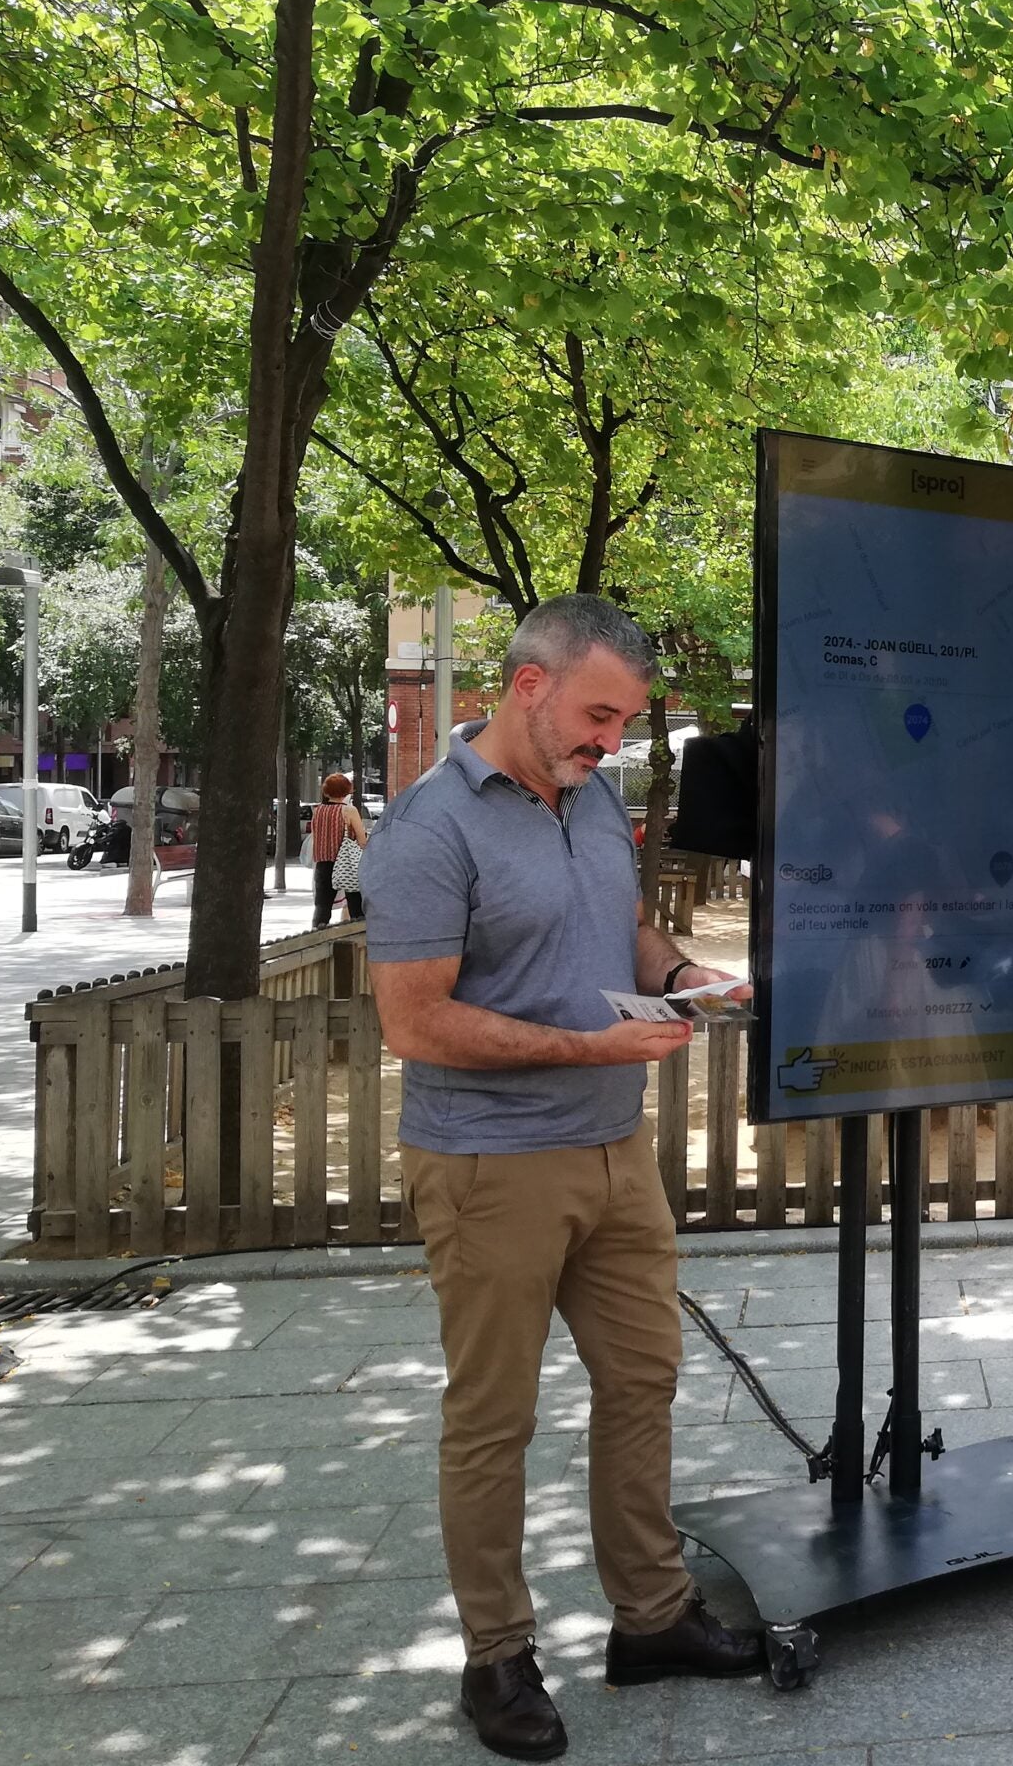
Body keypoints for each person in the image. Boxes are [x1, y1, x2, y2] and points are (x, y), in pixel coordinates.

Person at [361, 594, 761, 1761]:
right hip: (488, 1163)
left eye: (627, 723)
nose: (611, 743)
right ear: (525, 686)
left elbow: (619, 932)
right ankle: (497, 1658)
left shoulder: (591, 803)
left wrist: (684, 969)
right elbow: (416, 1023)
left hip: (612, 1150)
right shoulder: (430, 831)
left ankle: (652, 1618)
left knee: (643, 1382)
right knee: (494, 1420)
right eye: (597, 716)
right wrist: (593, 1047)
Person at [310, 773, 370, 926]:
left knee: (322, 907)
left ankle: (318, 937)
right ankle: (357, 937)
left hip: (323, 863)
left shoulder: (318, 811)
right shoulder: (349, 811)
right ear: (346, 791)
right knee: (355, 906)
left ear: (326, 791)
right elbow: (362, 841)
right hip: (346, 863)